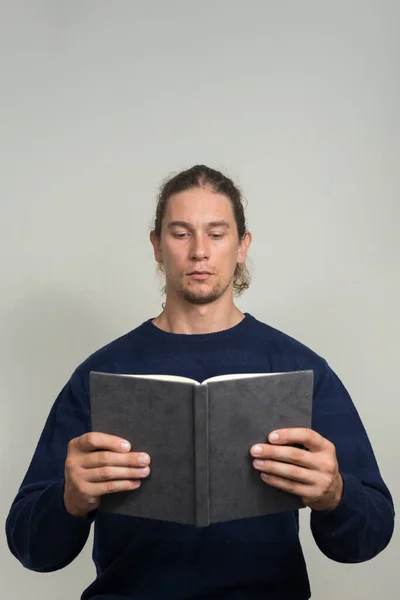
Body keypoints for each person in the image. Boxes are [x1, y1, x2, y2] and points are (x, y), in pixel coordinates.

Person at [6, 165, 394, 600]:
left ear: (242, 245)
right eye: (180, 233)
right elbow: (30, 549)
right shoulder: (101, 374)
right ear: (156, 246)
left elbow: (369, 538)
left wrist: (335, 494)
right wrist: (68, 500)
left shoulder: (300, 370)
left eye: (216, 233)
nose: (199, 252)